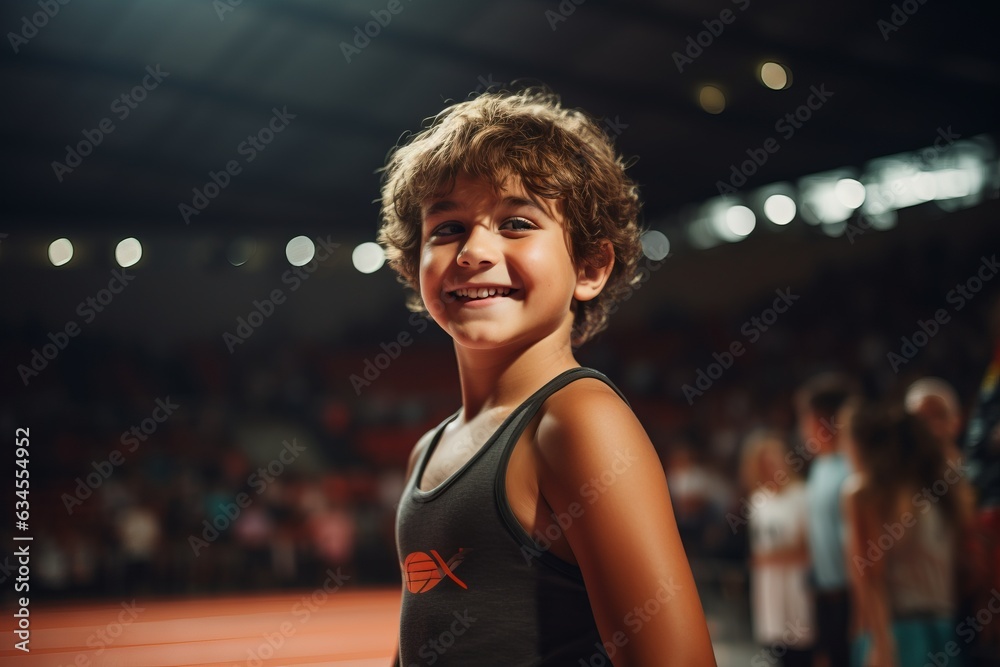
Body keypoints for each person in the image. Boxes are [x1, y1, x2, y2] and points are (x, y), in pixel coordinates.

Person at [378, 88, 716, 665]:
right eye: (446, 227)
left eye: (515, 221)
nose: (473, 250)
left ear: (589, 267)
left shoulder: (578, 421)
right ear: (415, 267)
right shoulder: (426, 451)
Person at [842, 401, 971, 667]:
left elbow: (868, 576)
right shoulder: (940, 494)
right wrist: (881, 643)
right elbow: (869, 576)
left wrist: (881, 643)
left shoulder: (877, 493)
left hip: (913, 628)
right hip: (915, 626)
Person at [794, 372, 855, 667]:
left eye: (805, 418)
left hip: (851, 597)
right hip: (825, 593)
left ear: (821, 421)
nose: (802, 427)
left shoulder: (851, 467)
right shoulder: (819, 468)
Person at [738, 430, 814, 667]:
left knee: (801, 653)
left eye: (775, 459)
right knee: (774, 652)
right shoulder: (757, 500)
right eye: (764, 462)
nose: (770, 467)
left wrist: (767, 559)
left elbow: (806, 551)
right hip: (768, 589)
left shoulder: (802, 495)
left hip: (797, 587)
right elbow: (757, 551)